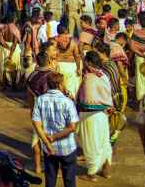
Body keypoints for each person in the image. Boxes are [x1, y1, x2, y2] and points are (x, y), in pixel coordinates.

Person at [32, 72, 78, 187]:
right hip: (67, 147)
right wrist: (55, 137)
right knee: (69, 181)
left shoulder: (40, 100)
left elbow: (36, 124)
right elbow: (72, 127)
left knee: (50, 179)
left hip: (49, 149)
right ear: (61, 84)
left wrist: (48, 143)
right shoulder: (68, 102)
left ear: (47, 84)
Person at [76, 51, 112, 181]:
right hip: (103, 114)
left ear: (89, 62)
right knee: (104, 142)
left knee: (91, 143)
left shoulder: (89, 78)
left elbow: (86, 99)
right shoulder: (103, 75)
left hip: (90, 115)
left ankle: (91, 174)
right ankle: (106, 171)